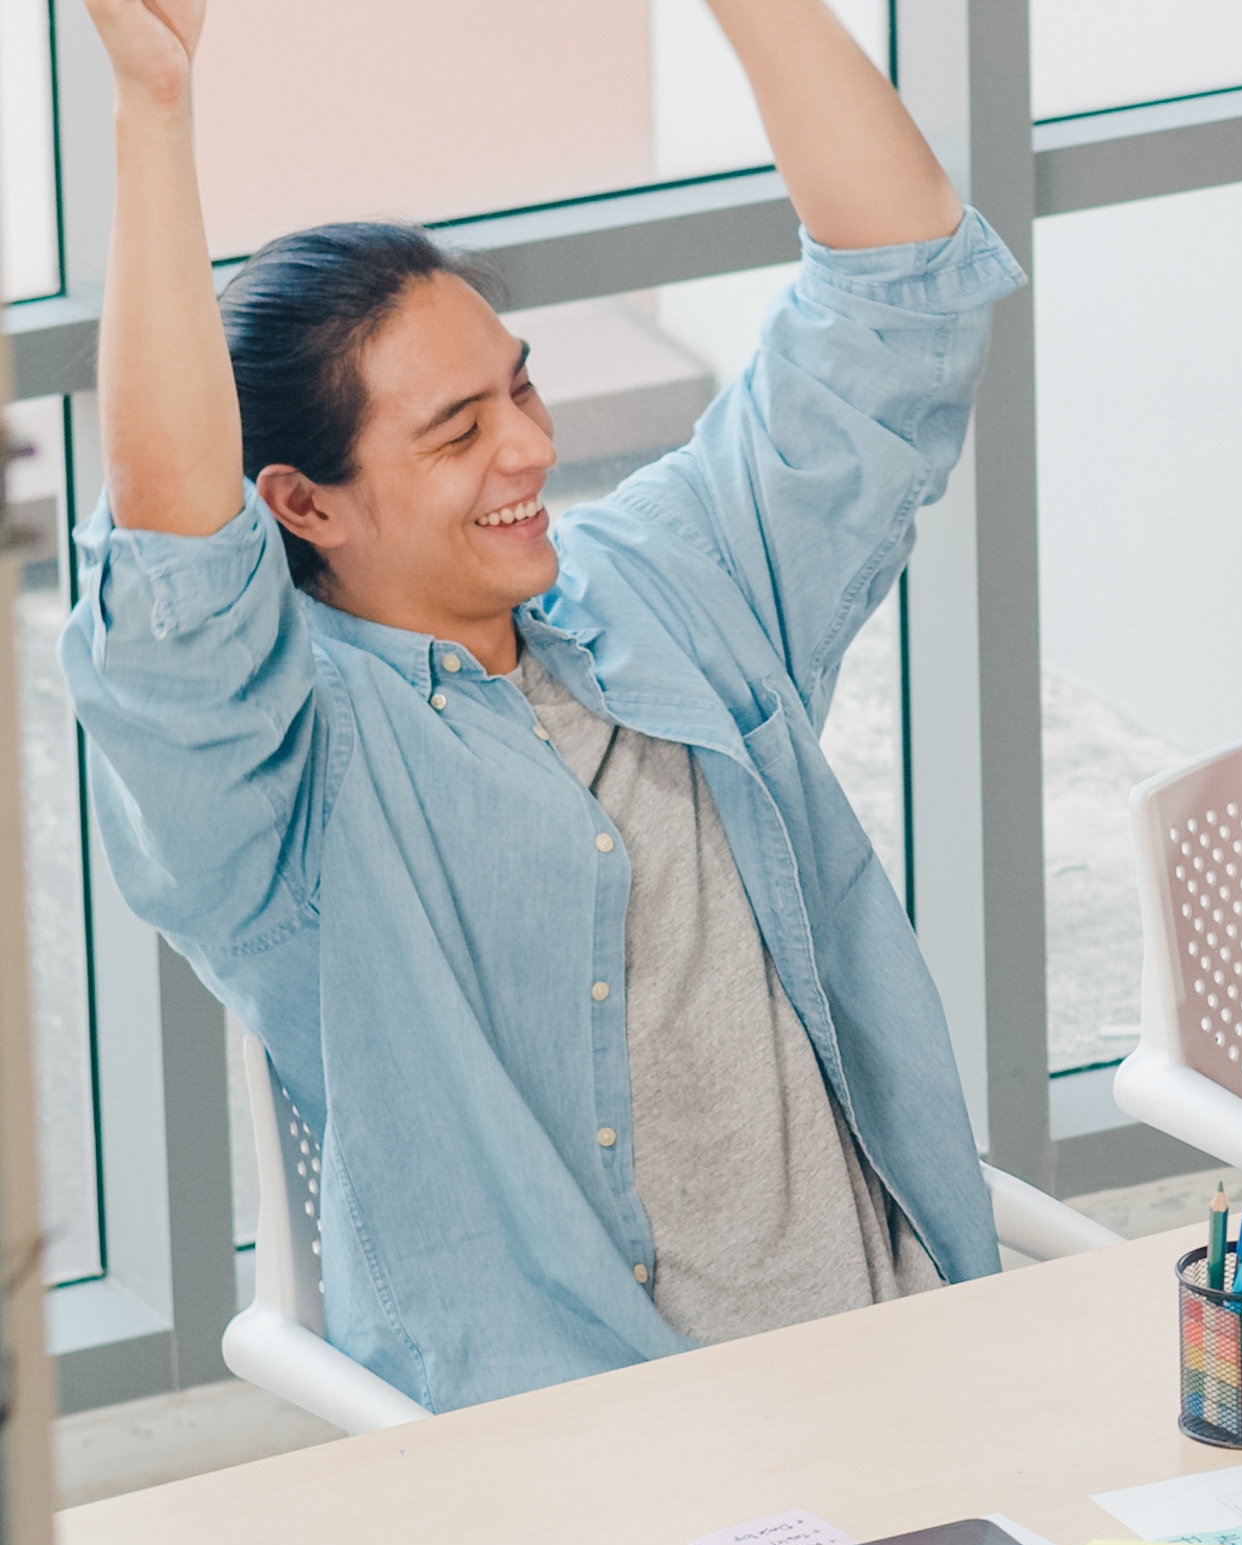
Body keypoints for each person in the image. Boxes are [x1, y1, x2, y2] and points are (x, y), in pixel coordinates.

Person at [63, 0, 1014, 1411]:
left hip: (898, 1379)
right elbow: (171, 560)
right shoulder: (287, 791)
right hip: (584, 1466)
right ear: (305, 502)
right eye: (459, 431)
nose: (532, 444)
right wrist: (153, 117)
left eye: (521, 387)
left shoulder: (671, 586)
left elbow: (900, 298)